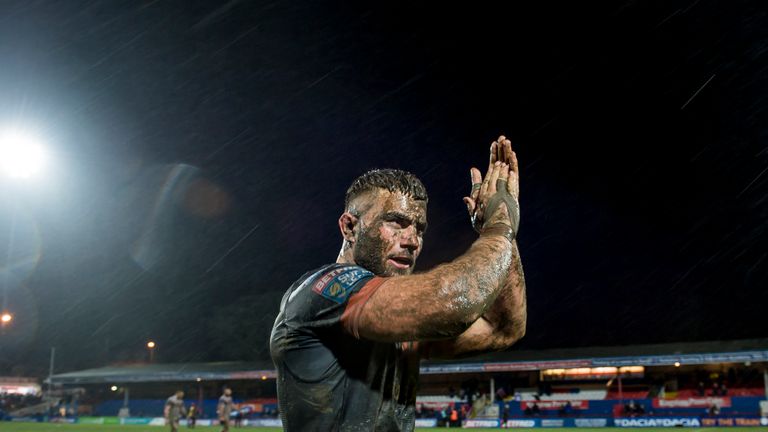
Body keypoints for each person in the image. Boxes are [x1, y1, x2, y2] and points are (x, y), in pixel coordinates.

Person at [270, 136, 527, 431]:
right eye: (396, 222)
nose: (412, 240)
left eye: (419, 228)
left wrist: (499, 232)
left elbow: (505, 328)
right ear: (349, 227)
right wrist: (499, 227)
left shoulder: (398, 323)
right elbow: (451, 304)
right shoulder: (325, 291)